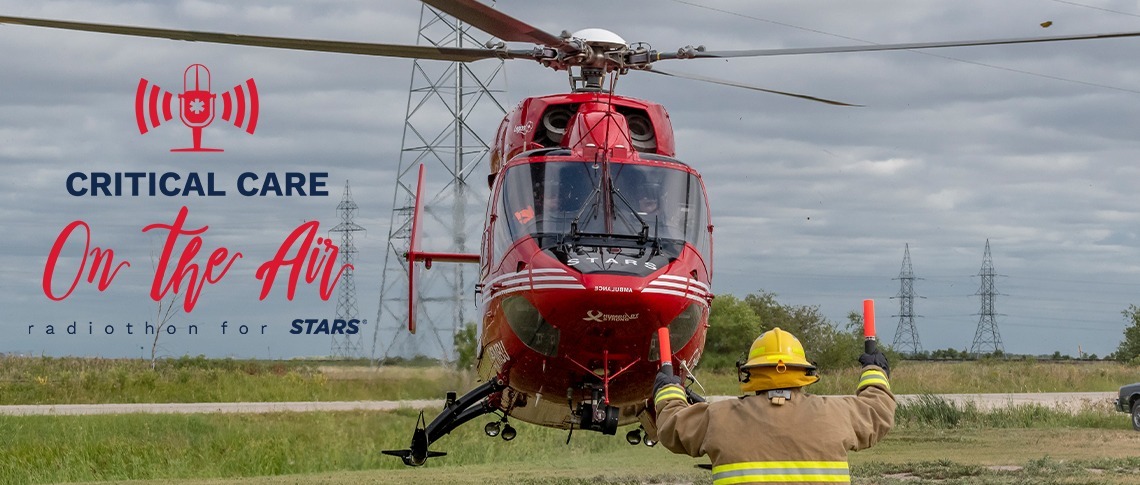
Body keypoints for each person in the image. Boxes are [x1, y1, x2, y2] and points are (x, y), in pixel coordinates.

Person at [652, 327, 894, 484]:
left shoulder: (718, 417)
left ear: (750, 373)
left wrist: (668, 389)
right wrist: (874, 370)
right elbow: (877, 411)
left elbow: (672, 427)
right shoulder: (837, 414)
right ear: (804, 371)